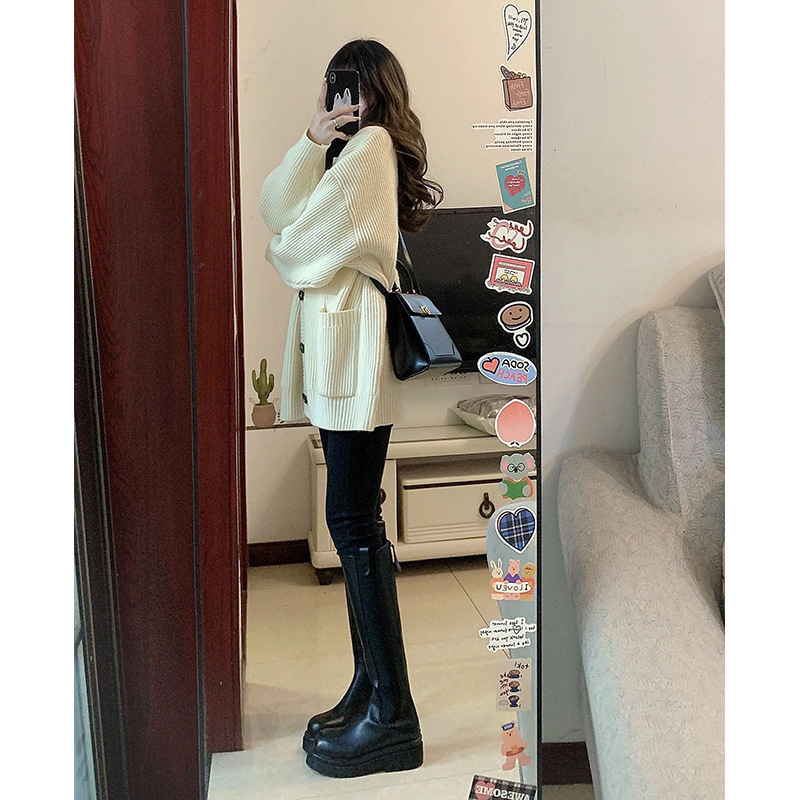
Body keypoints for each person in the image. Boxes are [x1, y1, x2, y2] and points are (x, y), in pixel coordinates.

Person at [259, 39, 443, 779]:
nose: (348, 102)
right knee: (356, 521)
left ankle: (393, 715)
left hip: (353, 361)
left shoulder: (372, 149)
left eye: (360, 88)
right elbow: (276, 207)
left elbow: (297, 243)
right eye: (339, 87)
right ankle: (370, 691)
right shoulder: (343, 154)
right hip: (341, 361)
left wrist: (287, 241)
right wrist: (311, 140)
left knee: (354, 525)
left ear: (381, 94)